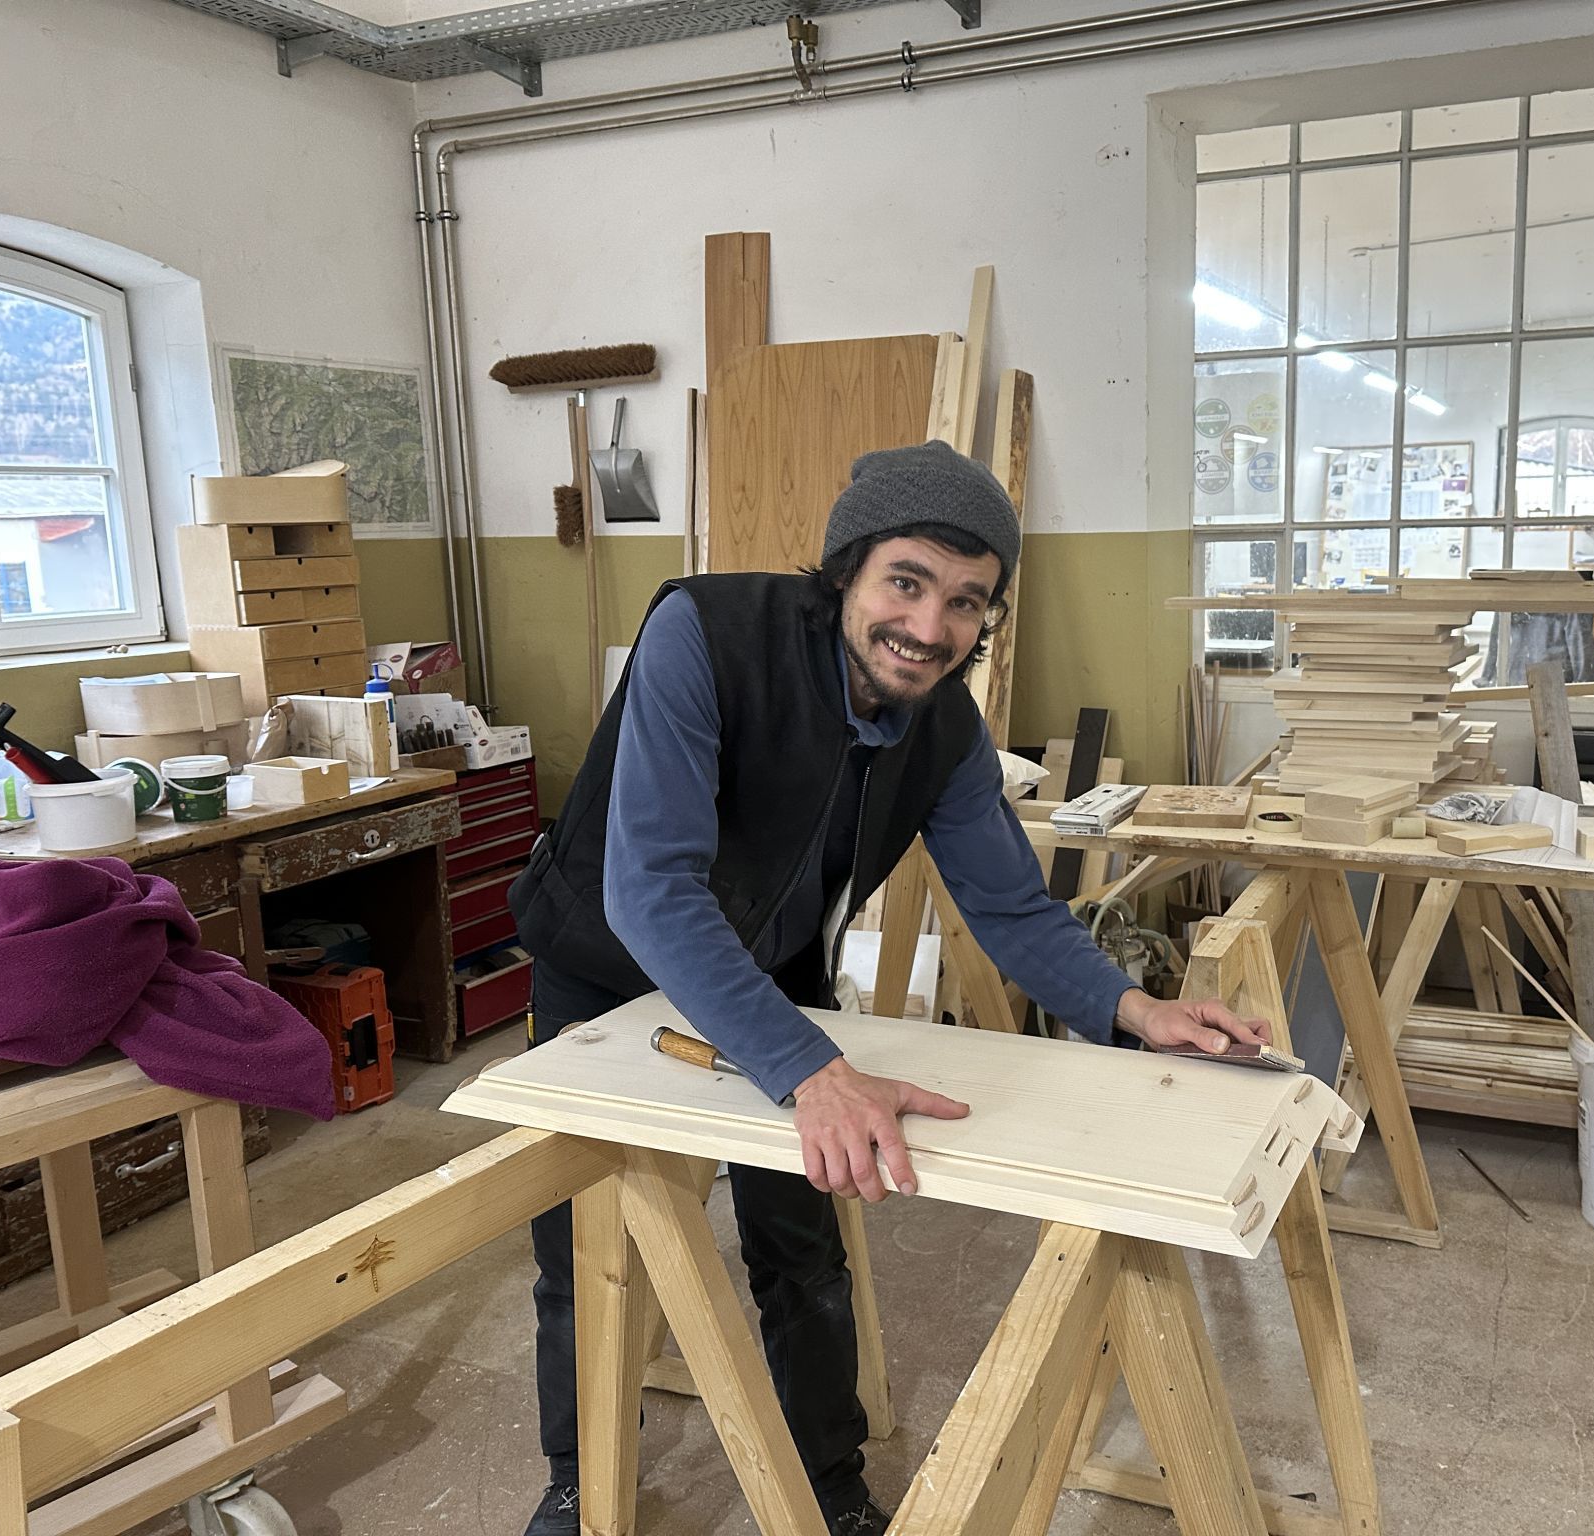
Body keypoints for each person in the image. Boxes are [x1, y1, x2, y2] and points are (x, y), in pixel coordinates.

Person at [508, 440, 1268, 1536]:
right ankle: (580, 1482)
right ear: (844, 573)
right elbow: (654, 894)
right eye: (905, 583)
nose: (928, 626)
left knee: (802, 1245)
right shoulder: (705, 636)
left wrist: (1135, 1011)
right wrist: (811, 1067)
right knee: (588, 1248)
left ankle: (827, 1490)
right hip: (601, 958)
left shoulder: (945, 730)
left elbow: (1009, 907)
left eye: (965, 602)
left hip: (771, 964)